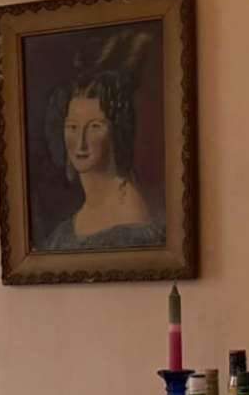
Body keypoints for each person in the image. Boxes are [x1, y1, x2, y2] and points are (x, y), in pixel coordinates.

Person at [38, 48, 162, 252]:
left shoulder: (129, 212)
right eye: (72, 127)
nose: (81, 142)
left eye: (95, 126)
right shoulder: (68, 227)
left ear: (115, 132)